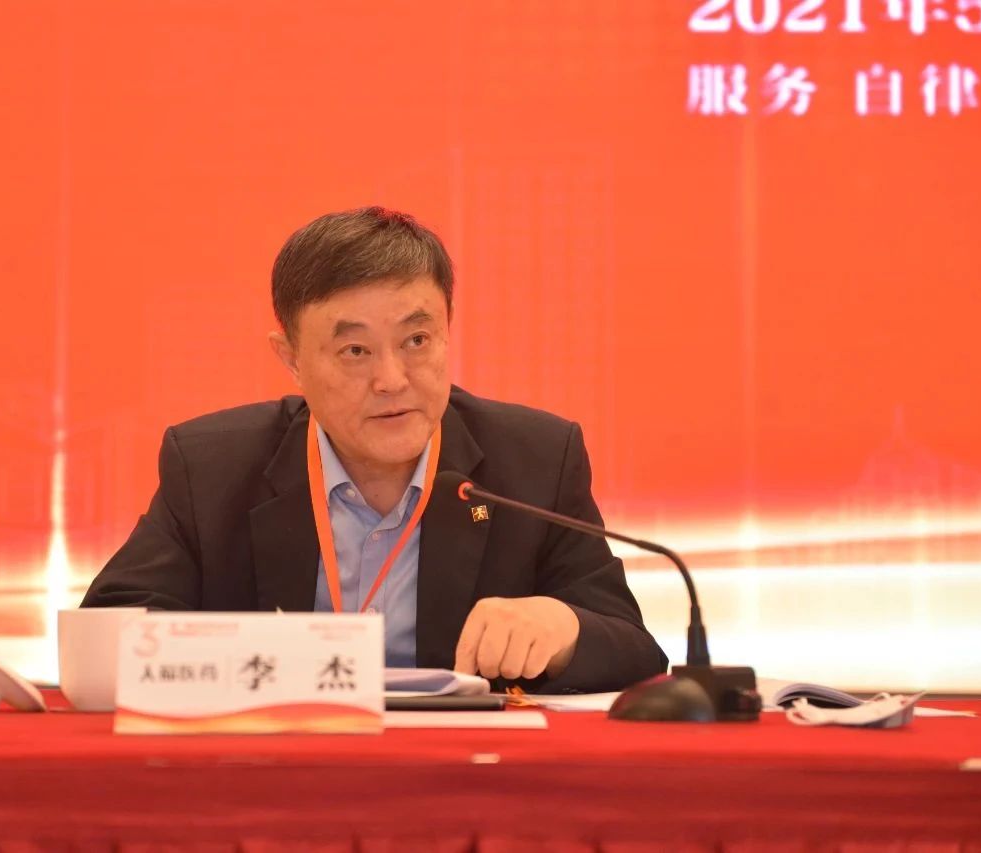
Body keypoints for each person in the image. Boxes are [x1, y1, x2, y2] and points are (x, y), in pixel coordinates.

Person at [82, 207, 666, 693]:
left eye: (417, 340)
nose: (392, 379)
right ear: (291, 359)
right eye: (355, 351)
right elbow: (110, 632)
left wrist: (563, 629)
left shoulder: (535, 459)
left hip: (456, 774)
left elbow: (634, 648)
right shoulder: (212, 467)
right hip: (284, 765)